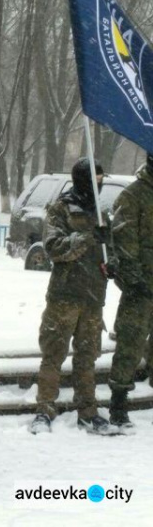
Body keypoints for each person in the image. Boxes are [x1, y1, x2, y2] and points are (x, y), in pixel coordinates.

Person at [29, 158, 115, 435]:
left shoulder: (100, 213)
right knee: (54, 353)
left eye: (101, 180)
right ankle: (44, 409)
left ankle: (88, 410)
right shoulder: (61, 208)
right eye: (93, 179)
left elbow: (109, 254)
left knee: (88, 356)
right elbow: (54, 248)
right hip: (64, 296)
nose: (97, 185)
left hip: (93, 297)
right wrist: (88, 237)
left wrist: (111, 261)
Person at [108, 155, 153, 429]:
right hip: (140, 287)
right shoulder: (133, 195)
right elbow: (123, 240)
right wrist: (135, 280)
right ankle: (118, 403)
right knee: (130, 343)